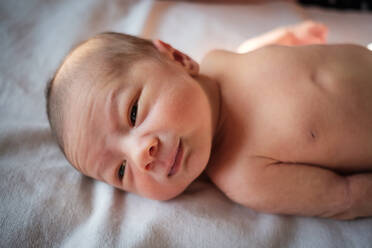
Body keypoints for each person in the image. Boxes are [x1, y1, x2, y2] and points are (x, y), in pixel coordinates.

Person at [46, 21, 372, 220]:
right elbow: (343, 197)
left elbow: (255, 51)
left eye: (133, 113)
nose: (140, 156)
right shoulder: (244, 176)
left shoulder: (223, 59)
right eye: (120, 170)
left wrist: (288, 36)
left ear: (178, 58)